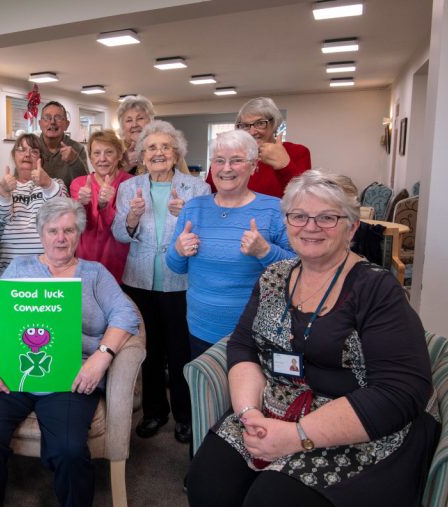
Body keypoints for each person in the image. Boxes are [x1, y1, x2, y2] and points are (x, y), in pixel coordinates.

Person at [186, 170, 440, 507]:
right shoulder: (274, 276)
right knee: (206, 484)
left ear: (351, 228)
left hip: (350, 425)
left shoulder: (376, 289)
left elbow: (401, 391)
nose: (310, 227)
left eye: (327, 217)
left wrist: (297, 436)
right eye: (299, 216)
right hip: (273, 406)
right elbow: (243, 346)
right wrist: (249, 413)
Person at [0, 198, 140, 507]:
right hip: (13, 369)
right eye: (53, 230)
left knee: (69, 450)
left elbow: (126, 315)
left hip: (71, 374)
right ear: (41, 233)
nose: (61, 238)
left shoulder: (95, 274)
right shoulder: (19, 268)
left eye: (68, 230)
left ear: (78, 234)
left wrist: (101, 358)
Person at [112, 120, 210, 443]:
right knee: (149, 351)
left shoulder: (198, 189)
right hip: (139, 280)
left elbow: (206, 237)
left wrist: (187, 218)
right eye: (151, 147)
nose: (158, 153)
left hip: (180, 281)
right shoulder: (128, 187)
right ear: (141, 155)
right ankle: (155, 412)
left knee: (181, 351)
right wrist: (132, 217)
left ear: (176, 152)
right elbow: (118, 234)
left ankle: (185, 415)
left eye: (165, 147)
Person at [166, 130, 294, 358]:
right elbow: (176, 267)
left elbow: (298, 269)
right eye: (219, 161)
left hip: (255, 331)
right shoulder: (194, 207)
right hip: (200, 327)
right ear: (212, 166)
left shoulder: (275, 209)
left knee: (248, 394)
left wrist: (265, 251)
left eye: (236, 160)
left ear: (254, 166)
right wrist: (178, 250)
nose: (226, 168)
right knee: (206, 392)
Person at [0, 133, 67, 277]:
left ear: (41, 160)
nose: (27, 154)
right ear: (14, 156)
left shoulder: (56, 184)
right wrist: (4, 193)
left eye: (34, 151)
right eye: (21, 149)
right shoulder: (4, 186)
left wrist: (47, 184)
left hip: (49, 271)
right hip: (9, 271)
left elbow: (63, 212)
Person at [205, 97, 311, 198]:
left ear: (274, 124)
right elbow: (211, 192)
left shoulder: (297, 152)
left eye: (260, 123)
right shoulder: (229, 154)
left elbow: (306, 198)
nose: (252, 132)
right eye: (245, 125)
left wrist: (285, 166)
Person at [69, 129, 131, 283]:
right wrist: (82, 204)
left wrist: (104, 206)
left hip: (121, 267)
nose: (102, 159)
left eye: (108, 152)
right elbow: (81, 225)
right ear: (90, 157)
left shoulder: (131, 183)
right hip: (86, 263)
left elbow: (124, 228)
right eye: (96, 153)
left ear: (119, 155)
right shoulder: (79, 184)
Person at [116, 95, 189, 175]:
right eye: (129, 120)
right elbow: (105, 183)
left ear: (150, 121)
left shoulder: (170, 147)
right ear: (122, 126)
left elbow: (187, 182)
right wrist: (126, 166)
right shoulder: (114, 149)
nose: (134, 125)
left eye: (140, 118)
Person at [37, 101, 89, 189]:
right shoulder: (31, 147)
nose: (52, 122)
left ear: (67, 125)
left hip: (67, 201)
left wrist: (74, 161)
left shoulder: (77, 148)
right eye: (47, 117)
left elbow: (85, 184)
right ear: (40, 124)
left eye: (58, 118)